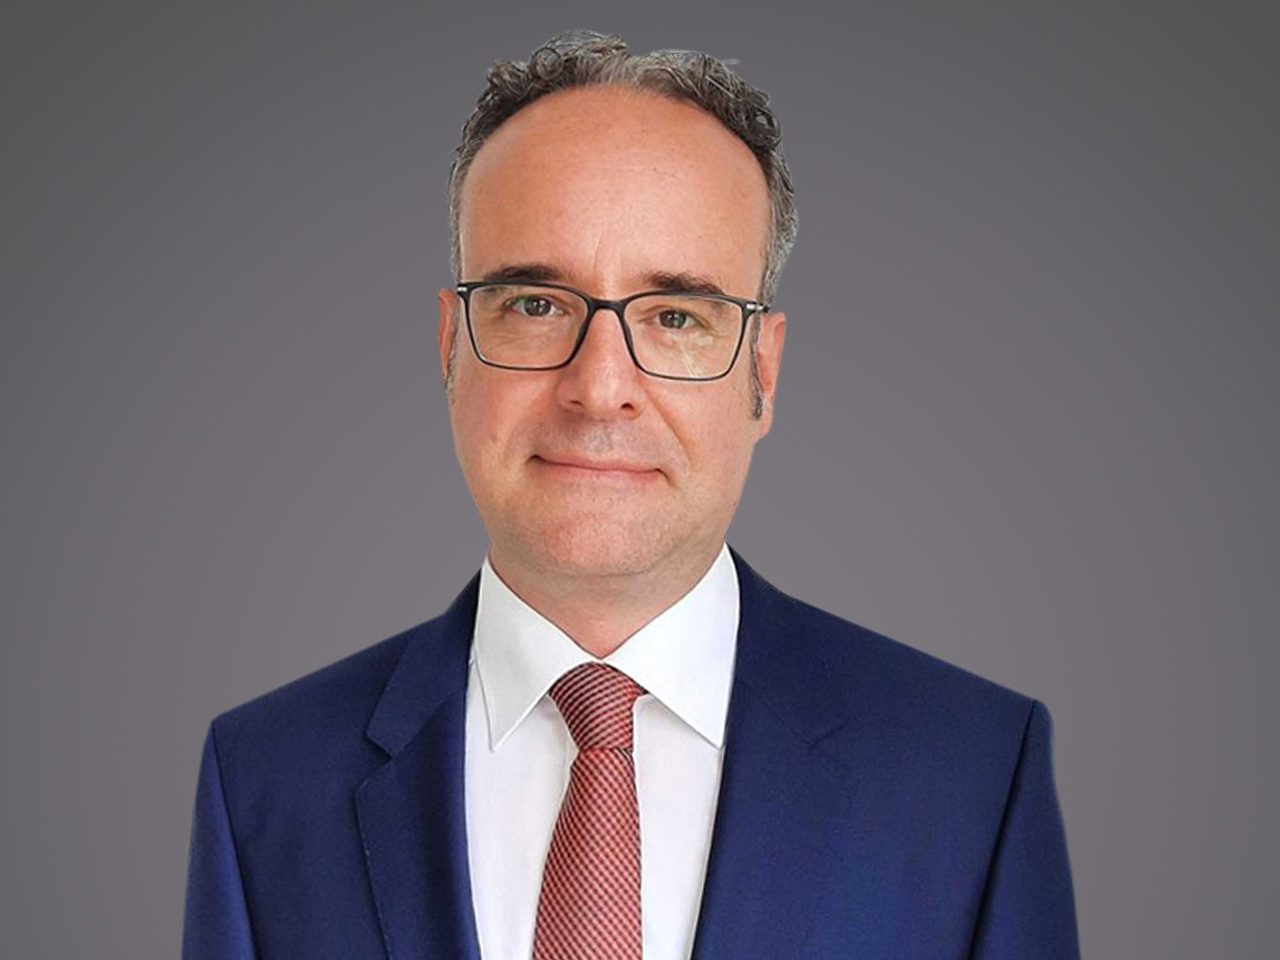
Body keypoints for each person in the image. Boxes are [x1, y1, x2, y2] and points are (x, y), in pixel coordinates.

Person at [182, 30, 1079, 960]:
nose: (600, 386)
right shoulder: (264, 783)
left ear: (763, 373)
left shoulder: (972, 778)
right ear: (451, 347)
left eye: (676, 316)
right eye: (535, 305)